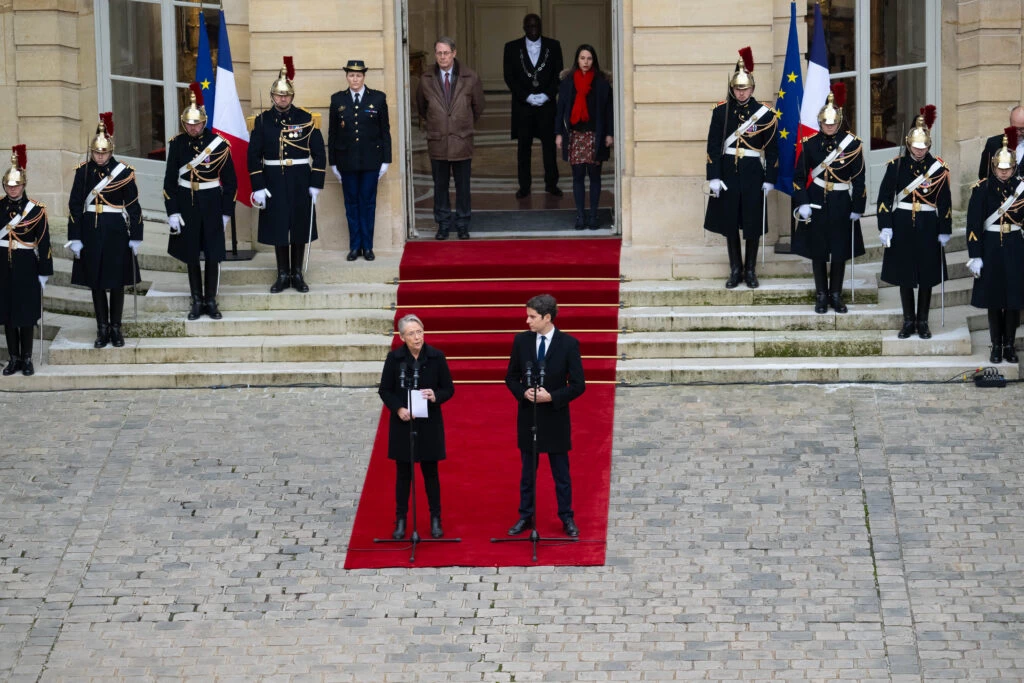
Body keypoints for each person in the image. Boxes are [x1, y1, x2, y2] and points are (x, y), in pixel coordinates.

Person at [504, 294, 585, 538]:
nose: (527, 320)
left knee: (561, 472)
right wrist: (523, 392)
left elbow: (578, 385)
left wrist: (553, 397)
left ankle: (567, 517)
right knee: (527, 473)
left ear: (547, 318)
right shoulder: (521, 342)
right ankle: (525, 516)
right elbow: (511, 377)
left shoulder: (569, 344)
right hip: (529, 417)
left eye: (532, 317)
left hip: (555, 417)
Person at [248, 57, 326, 293]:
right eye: (279, 95)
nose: (283, 99)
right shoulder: (262, 122)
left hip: (300, 177)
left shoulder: (305, 119)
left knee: (299, 225)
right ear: (272, 96)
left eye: (287, 95)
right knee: (279, 225)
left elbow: (319, 153)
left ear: (292, 96)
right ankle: (282, 273)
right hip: (273, 178)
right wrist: (258, 185)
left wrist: (316, 182)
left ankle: (297, 274)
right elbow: (253, 157)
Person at [704, 47, 779, 289]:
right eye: (737, 88)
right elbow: (713, 146)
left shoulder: (765, 115)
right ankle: (735, 269)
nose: (741, 92)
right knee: (730, 223)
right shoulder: (721, 112)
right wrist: (713, 176)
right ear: (732, 88)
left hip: (752, 173)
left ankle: (750, 270)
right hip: (727, 172)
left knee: (752, 223)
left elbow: (773, 150)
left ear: (752, 89)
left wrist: (770, 178)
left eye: (745, 88)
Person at [67, 113, 143, 350]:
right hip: (91, 231)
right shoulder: (83, 172)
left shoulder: (124, 172)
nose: (100, 157)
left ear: (111, 152)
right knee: (96, 282)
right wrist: (75, 237)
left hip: (116, 231)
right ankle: (102, 328)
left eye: (104, 153)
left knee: (117, 281)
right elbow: (75, 205)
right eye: (96, 153)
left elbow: (133, 205)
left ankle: (116, 328)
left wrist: (136, 235)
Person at [163, 84, 237, 320]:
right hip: (187, 203)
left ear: (204, 122)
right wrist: (172, 211)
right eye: (188, 124)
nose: (192, 128)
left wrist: (226, 212)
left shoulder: (219, 145)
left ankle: (211, 300)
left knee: (213, 254)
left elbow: (231, 182)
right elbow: (169, 182)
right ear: (183, 124)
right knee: (191, 253)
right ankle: (196, 300)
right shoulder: (176, 144)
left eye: (196, 123)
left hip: (212, 202)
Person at [877, 106, 951, 340]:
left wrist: (944, 228)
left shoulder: (938, 169)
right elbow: (884, 199)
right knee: (905, 275)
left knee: (927, 275)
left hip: (928, 223)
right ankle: (908, 321)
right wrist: (885, 224)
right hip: (902, 224)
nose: (920, 152)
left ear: (929, 146)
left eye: (924, 148)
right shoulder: (896, 166)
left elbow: (945, 201)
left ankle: (923, 321)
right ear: (909, 145)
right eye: (916, 148)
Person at [378, 314, 455, 540]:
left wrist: (435, 395)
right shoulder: (395, 359)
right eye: (411, 333)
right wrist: (398, 408)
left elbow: (449, 389)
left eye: (419, 332)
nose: (417, 337)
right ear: (402, 337)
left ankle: (435, 518)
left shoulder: (436, 357)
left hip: (429, 423)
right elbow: (385, 390)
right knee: (404, 474)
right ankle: (401, 519)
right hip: (404, 423)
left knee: (431, 473)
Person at [793, 85, 866, 314]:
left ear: (840, 122)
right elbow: (798, 177)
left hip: (841, 201)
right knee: (818, 250)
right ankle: (821, 295)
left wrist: (858, 206)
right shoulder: (809, 144)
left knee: (839, 250)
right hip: (816, 199)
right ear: (820, 122)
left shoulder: (852, 145)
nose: (829, 127)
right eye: (826, 123)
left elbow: (860, 179)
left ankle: (836, 294)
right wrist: (802, 202)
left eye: (833, 124)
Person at [415, 37, 485, 240]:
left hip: (462, 140)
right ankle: (443, 224)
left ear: (454, 53)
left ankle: (463, 224)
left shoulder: (470, 77)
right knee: (440, 186)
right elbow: (421, 107)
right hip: (438, 141)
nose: (442, 57)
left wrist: (461, 122)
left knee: (463, 186)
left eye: (446, 53)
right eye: (439, 53)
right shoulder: (426, 78)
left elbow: (478, 106)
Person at [965, 130, 1024, 363]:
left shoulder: (1021, 189)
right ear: (993, 166)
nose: (1003, 172)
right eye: (1000, 168)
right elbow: (973, 225)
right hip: (990, 247)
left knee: (1013, 300)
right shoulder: (982, 189)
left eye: (1007, 169)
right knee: (993, 300)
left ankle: (1009, 344)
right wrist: (975, 255)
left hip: (1014, 247)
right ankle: (996, 345)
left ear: (1014, 168)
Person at [329, 59, 392, 262]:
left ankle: (368, 246)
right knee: (351, 204)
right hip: (346, 162)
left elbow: (385, 132)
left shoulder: (378, 98)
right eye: (351, 75)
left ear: (364, 77)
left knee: (367, 204)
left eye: (358, 75)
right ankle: (354, 247)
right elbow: (332, 133)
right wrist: (333, 163)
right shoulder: (338, 99)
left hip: (371, 162)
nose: (354, 79)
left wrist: (386, 160)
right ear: (347, 77)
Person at [0, 146, 51, 377]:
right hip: (2, 266)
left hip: (26, 265)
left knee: (27, 313)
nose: (13, 189)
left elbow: (44, 242)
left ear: (23, 185)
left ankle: (28, 358)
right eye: (9, 185)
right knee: (8, 313)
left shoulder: (37, 211)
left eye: (16, 185)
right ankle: (14, 358)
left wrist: (44, 272)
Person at [503, 13, 563, 199]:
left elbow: (558, 74)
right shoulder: (511, 48)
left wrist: (547, 95)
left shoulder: (553, 46)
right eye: (529, 26)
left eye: (536, 26)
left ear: (541, 27)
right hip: (523, 107)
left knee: (549, 147)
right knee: (524, 148)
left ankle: (551, 184)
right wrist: (526, 96)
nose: (533, 29)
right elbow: (509, 76)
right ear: (524, 28)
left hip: (547, 106)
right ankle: (524, 186)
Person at [555, 44, 613, 231]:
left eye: (589, 58)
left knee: (595, 176)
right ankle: (580, 215)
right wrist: (558, 134)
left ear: (593, 60)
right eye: (582, 58)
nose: (586, 62)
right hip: (575, 135)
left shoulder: (602, 83)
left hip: (595, 135)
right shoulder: (568, 82)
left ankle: (594, 215)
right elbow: (560, 110)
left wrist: (610, 134)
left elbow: (608, 111)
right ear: (577, 60)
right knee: (578, 176)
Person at [978, 105, 1024, 180]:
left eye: (1022, 129)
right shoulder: (993, 144)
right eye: (1015, 128)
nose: (1018, 133)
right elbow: (984, 176)